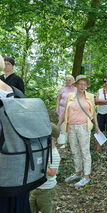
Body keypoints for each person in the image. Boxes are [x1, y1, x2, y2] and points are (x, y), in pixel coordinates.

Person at [57, 75, 99, 188]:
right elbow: (65, 111)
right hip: (71, 126)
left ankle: (86, 176)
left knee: (85, 151)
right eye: (80, 84)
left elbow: (93, 112)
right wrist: (59, 124)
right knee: (75, 151)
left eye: (85, 84)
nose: (83, 86)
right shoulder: (71, 96)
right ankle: (78, 172)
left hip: (83, 127)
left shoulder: (90, 96)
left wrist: (97, 126)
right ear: (76, 85)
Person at [0, 54, 30, 213]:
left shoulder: (17, 80)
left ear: (12, 65)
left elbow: (22, 101)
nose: (6, 65)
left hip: (12, 124)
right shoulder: (1, 78)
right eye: (4, 63)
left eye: (8, 63)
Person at [29, 123, 61, 213]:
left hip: (46, 190)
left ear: (51, 138)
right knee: (31, 207)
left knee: (45, 209)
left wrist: (39, 164)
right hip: (36, 187)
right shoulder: (43, 149)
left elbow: (52, 173)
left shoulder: (54, 154)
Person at [55, 75, 77, 148]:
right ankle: (63, 142)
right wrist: (57, 108)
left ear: (73, 81)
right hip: (62, 109)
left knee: (70, 126)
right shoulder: (62, 88)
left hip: (71, 110)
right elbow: (58, 99)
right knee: (62, 125)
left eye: (69, 80)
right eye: (66, 80)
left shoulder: (75, 89)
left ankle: (70, 142)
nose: (67, 81)